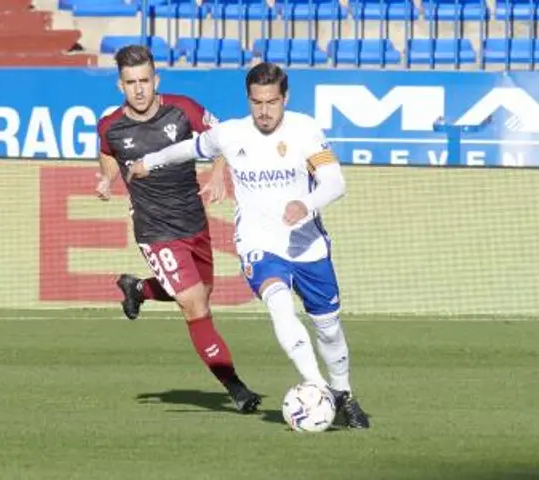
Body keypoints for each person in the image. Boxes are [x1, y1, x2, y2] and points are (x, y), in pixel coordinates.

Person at [127, 62, 370, 429]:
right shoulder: (231, 134)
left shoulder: (305, 130)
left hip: (307, 245)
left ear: (284, 98)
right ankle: (319, 390)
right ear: (249, 100)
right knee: (280, 307)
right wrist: (150, 161)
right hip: (259, 243)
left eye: (272, 102)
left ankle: (343, 393)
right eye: (257, 102)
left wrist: (306, 204)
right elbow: (188, 148)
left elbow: (335, 183)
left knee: (329, 328)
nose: (265, 111)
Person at [95, 45, 261, 414]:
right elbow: (107, 152)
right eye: (130, 82)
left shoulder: (183, 109)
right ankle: (237, 389)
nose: (138, 89)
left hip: (194, 221)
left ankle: (137, 288)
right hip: (155, 230)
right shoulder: (111, 126)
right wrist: (106, 179)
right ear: (120, 86)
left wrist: (219, 174)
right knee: (195, 305)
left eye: (144, 81)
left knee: (199, 293)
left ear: (157, 80)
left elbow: (226, 140)